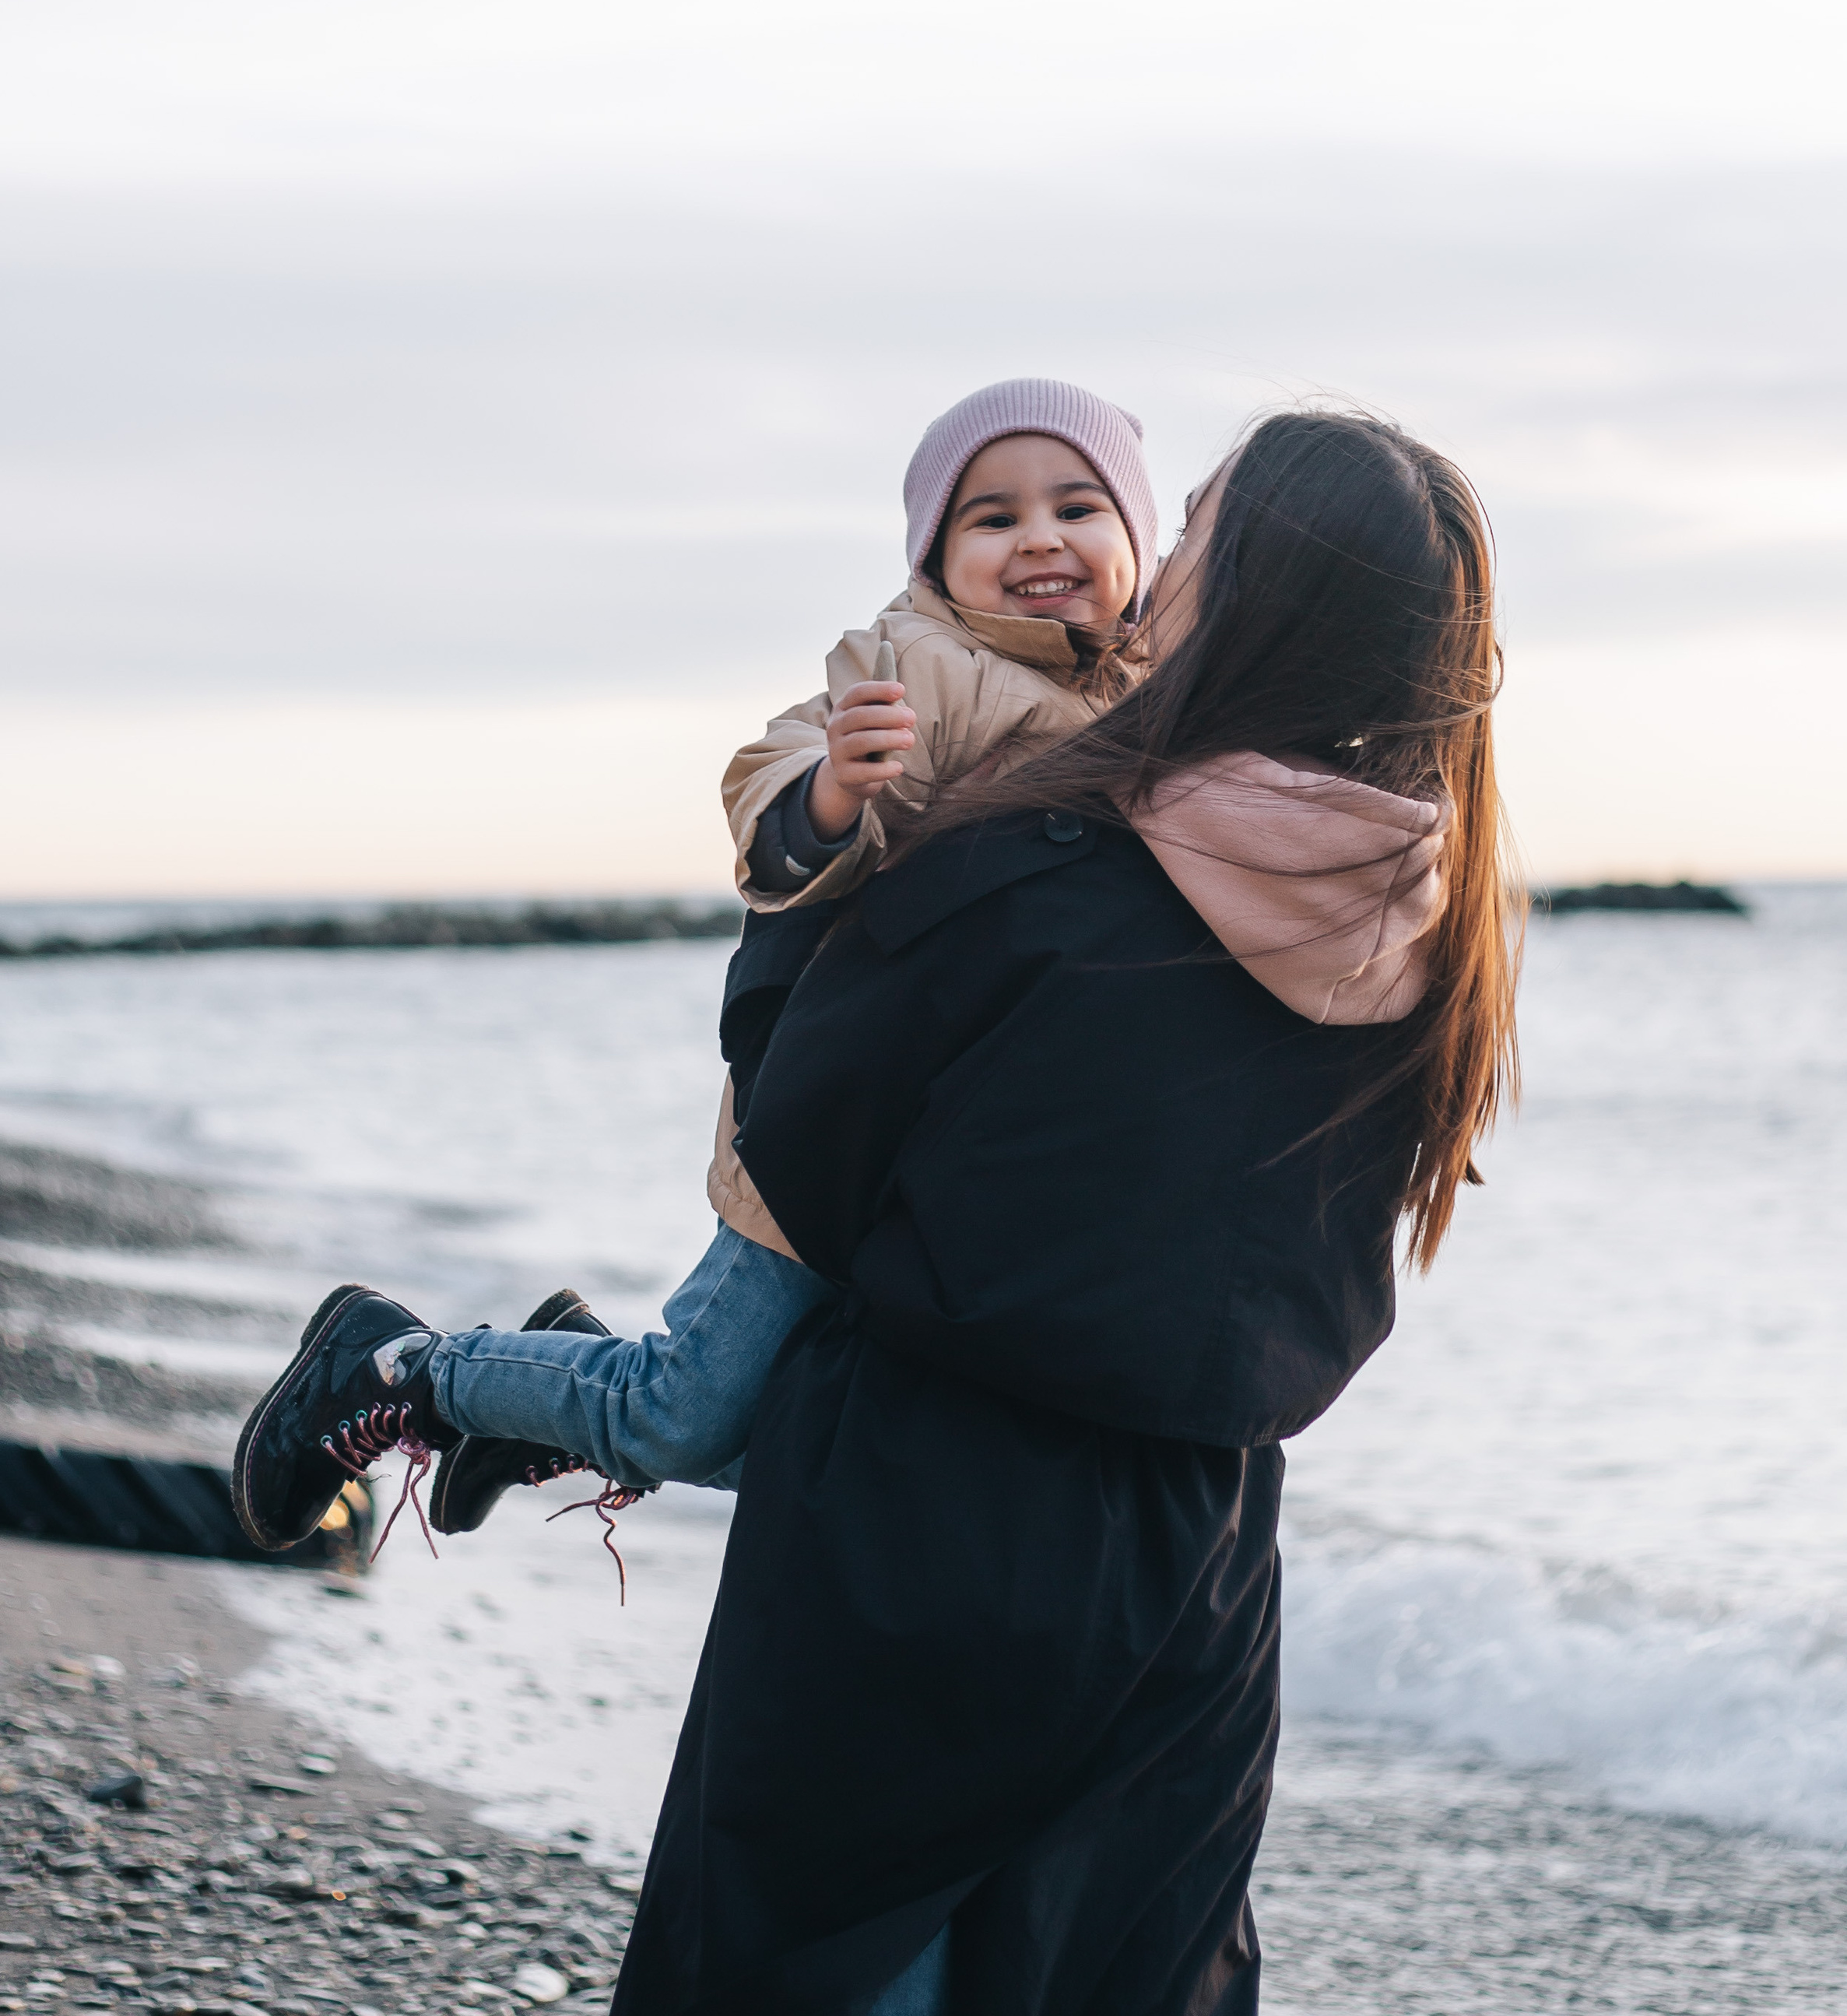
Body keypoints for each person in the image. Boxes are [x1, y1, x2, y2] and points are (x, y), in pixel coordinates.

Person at [230, 409, 1519, 2016]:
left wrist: (837, 911)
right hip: (1195, 1598)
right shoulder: (1439, 942)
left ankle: (439, 1378)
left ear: (1248, 593)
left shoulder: (1029, 858)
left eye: (1184, 522)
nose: (1145, 552)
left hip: (919, 1560)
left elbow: (801, 1125)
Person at [230, 377, 1158, 1557]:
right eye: (991, 518)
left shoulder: (1152, 700)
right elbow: (768, 776)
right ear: (936, 557)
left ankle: (553, 1390)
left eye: (1078, 507)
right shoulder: (919, 661)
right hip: (827, 1142)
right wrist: (831, 791)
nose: (1037, 537)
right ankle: (407, 1366)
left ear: (1140, 540)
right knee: (684, 1419)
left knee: (858, 1443)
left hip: (951, 1168)